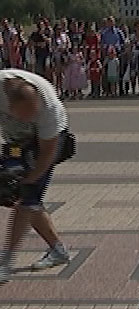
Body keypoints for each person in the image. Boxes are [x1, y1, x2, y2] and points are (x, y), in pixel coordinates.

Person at [0, 69, 71, 284]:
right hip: (14, 143)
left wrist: (29, 180)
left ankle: (6, 263)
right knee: (22, 198)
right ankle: (58, 250)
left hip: (45, 145)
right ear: (10, 105)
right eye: (24, 115)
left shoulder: (48, 109)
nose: (29, 119)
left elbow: (49, 151)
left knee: (26, 199)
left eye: (32, 115)